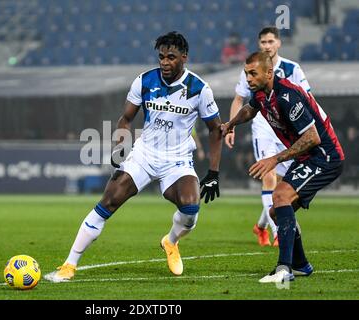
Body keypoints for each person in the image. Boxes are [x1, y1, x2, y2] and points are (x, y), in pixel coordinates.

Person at [44, 31, 222, 282]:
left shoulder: (199, 89)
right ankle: (68, 265)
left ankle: (171, 242)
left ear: (184, 57)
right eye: (161, 57)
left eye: (171, 57)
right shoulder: (145, 81)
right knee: (108, 202)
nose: (164, 62)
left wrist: (213, 172)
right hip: (144, 154)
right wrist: (121, 144)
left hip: (177, 159)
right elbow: (126, 119)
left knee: (191, 208)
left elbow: (216, 129)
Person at [221, 52, 344, 283]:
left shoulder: (287, 95)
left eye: (253, 73)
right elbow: (250, 108)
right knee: (276, 212)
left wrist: (274, 159)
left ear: (269, 73)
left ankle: (283, 269)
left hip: (325, 156)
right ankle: (301, 265)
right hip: (308, 157)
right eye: (246, 73)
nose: (248, 78)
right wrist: (231, 124)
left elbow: (312, 137)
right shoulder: (261, 94)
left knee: (280, 195)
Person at [225, 27, 312, 247]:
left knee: (283, 186)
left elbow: (307, 97)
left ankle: (261, 225)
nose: (267, 45)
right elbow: (238, 99)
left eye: (270, 41)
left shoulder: (293, 68)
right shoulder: (252, 69)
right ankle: (279, 233)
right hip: (263, 127)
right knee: (269, 176)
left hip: (286, 131)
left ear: (278, 43)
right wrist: (232, 126)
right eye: (263, 42)